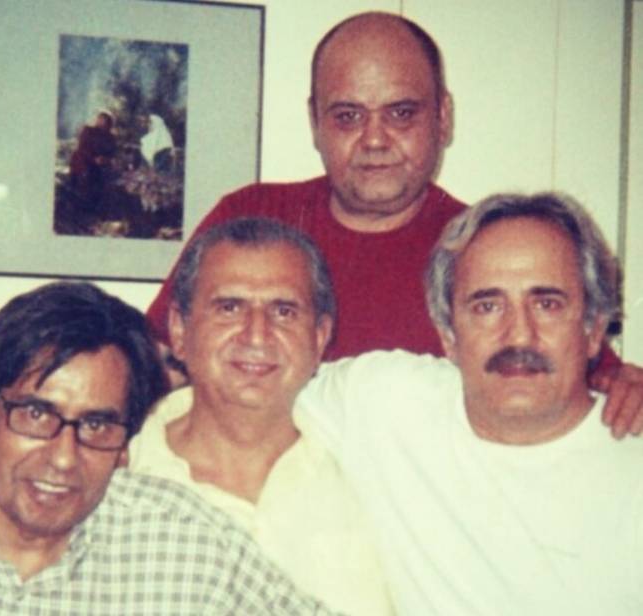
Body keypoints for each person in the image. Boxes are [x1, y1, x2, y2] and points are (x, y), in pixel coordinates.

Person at [145, 11, 643, 433]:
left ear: (443, 117)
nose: (375, 139)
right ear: (315, 121)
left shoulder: (487, 252)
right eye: (348, 116)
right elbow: (157, 362)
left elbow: (592, 380)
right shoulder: (252, 220)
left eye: (401, 113)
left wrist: (622, 386)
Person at [296, 193, 643, 614]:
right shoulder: (385, 402)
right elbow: (250, 393)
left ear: (594, 330)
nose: (519, 334)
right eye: (487, 306)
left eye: (547, 304)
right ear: (448, 336)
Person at [0, 281, 340, 615]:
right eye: (36, 414)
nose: (63, 458)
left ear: (125, 444)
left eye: (96, 425)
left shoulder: (183, 542)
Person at [129, 218, 392, 616]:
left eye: (284, 311)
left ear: (319, 338)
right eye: (229, 308)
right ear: (180, 331)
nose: (256, 335)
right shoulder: (114, 476)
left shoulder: (376, 473)